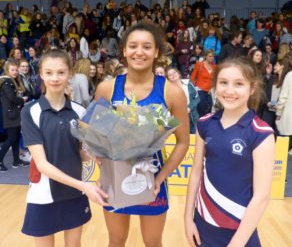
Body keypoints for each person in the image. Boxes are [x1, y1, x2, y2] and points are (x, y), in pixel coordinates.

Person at [94, 22, 189, 247]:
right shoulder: (106, 89)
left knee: (153, 241)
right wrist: (104, 170)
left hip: (151, 178)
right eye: (133, 46)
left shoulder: (172, 93)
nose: (139, 52)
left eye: (147, 47)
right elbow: (97, 138)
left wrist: (160, 177)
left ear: (156, 52)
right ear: (124, 51)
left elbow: (183, 142)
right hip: (115, 180)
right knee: (116, 240)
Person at [185, 56, 275, 247]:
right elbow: (195, 174)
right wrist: (187, 219)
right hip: (202, 226)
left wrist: (237, 243)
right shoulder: (205, 123)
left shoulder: (261, 133)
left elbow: (261, 197)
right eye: (223, 83)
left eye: (239, 84)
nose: (229, 91)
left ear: (252, 88)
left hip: (239, 233)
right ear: (215, 86)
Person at [21, 49, 108, 245]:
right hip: (43, 194)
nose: (55, 78)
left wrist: (95, 156)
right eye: (49, 72)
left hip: (73, 194)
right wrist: (84, 186)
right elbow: (42, 164)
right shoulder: (30, 112)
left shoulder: (79, 111)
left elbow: (77, 151)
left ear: (70, 74)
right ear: (41, 74)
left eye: (61, 72)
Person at [0, 61, 30, 172]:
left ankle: (16, 161)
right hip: (10, 114)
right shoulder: (5, 82)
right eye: (12, 70)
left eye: (16, 70)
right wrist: (22, 100)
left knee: (16, 138)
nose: (15, 72)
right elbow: (12, 99)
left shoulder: (13, 81)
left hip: (15, 114)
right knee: (11, 138)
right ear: (7, 70)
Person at [190, 49, 216, 117]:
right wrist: (193, 90)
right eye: (210, 56)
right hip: (200, 90)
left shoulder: (215, 67)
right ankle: (199, 124)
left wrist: (212, 88)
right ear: (206, 56)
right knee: (201, 109)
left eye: (213, 56)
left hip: (210, 91)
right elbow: (193, 78)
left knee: (209, 109)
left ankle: (206, 125)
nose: (212, 58)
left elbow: (215, 79)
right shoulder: (199, 64)